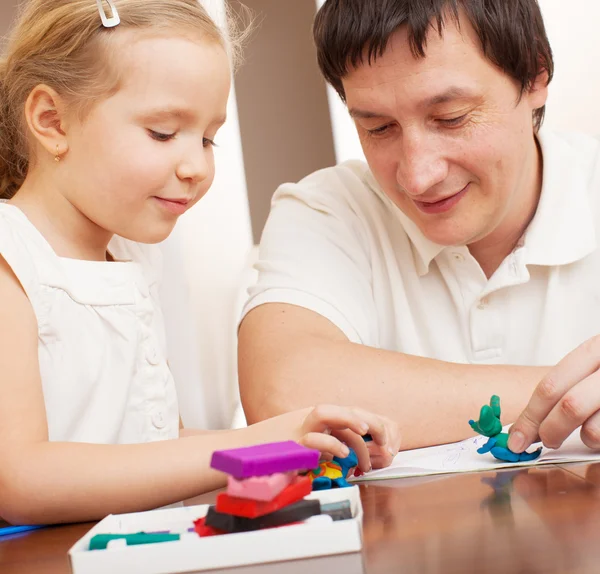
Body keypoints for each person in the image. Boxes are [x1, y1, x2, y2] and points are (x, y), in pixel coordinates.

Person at [0, 0, 399, 526]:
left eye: (208, 138)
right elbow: (20, 479)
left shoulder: (133, 259)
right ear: (52, 121)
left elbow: (154, 446)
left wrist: (294, 444)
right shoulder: (12, 259)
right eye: (163, 133)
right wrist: (260, 441)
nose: (196, 167)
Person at [238, 0, 600, 455]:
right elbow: (283, 397)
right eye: (379, 128)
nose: (417, 176)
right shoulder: (328, 208)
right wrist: (571, 392)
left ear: (535, 76)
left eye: (451, 118)